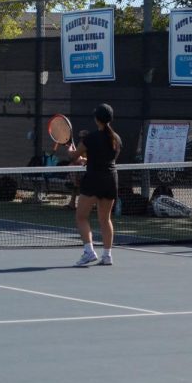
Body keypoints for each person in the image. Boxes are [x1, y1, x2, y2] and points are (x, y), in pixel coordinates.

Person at [71, 104, 121, 266]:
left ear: (96, 119)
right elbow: (109, 159)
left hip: (93, 179)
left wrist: (70, 149)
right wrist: (88, 160)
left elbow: (74, 156)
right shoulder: (116, 139)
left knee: (81, 216)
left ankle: (89, 251)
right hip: (110, 179)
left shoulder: (90, 138)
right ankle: (107, 256)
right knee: (105, 219)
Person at [55, 128, 88, 210]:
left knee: (80, 186)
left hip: (88, 171)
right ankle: (72, 204)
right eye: (80, 137)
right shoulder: (82, 144)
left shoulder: (85, 144)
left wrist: (70, 148)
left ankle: (81, 205)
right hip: (80, 171)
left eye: (83, 137)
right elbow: (76, 158)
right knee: (75, 186)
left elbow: (74, 157)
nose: (81, 138)